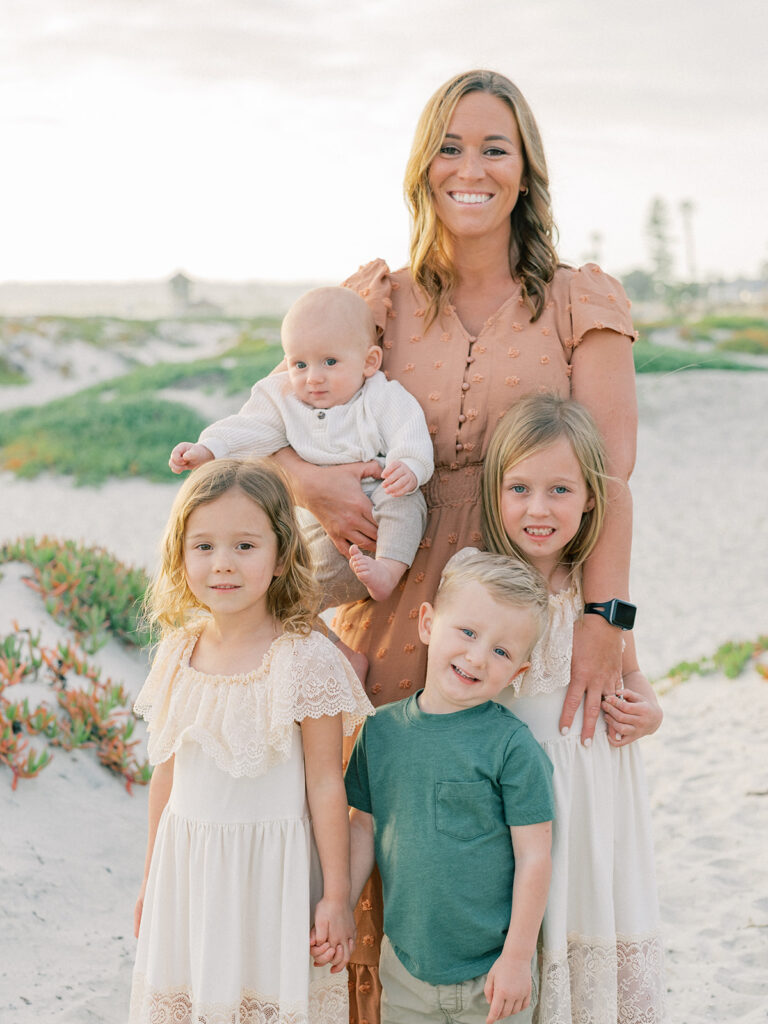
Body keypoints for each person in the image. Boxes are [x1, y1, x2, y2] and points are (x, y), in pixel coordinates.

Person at [271, 69, 640, 1021]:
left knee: (523, 837)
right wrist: (311, 480)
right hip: (388, 601)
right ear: (421, 165)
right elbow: (270, 420)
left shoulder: (577, 300)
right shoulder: (375, 303)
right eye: (450, 145)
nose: (469, 168)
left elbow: (612, 481)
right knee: (390, 834)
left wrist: (607, 621)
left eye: (494, 148)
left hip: (523, 619)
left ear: (526, 172)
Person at [128, 459, 374, 1024]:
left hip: (272, 882)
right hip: (188, 876)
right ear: (180, 554)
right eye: (204, 546)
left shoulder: (304, 660)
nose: (222, 565)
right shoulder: (176, 653)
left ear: (282, 555)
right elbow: (163, 776)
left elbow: (325, 784)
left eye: (244, 545)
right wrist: (149, 882)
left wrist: (336, 897)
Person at [482, 394, 664, 1023]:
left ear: (591, 498)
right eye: (520, 488)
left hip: (598, 791)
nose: (538, 508)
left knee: (592, 915)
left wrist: (648, 713)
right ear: (495, 492)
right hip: (527, 795)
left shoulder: (597, 596)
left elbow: (634, 678)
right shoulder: (485, 586)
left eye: (560, 489)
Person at [331, 549, 555, 1024]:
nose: (477, 657)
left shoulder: (512, 746)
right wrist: (342, 906)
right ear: (428, 623)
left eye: (501, 651)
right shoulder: (381, 731)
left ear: (517, 671)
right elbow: (361, 830)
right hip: (406, 969)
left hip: (494, 976)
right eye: (468, 632)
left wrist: (517, 960)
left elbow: (535, 857)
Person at [169, 286, 434, 605]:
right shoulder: (284, 400)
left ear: (369, 361)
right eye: (300, 365)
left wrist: (409, 466)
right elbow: (249, 427)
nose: (313, 378)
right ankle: (327, 640)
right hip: (309, 513)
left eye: (330, 362)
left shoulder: (382, 396)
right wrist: (208, 448)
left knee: (406, 501)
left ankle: (388, 571)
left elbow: (409, 429)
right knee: (288, 577)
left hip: (376, 494)